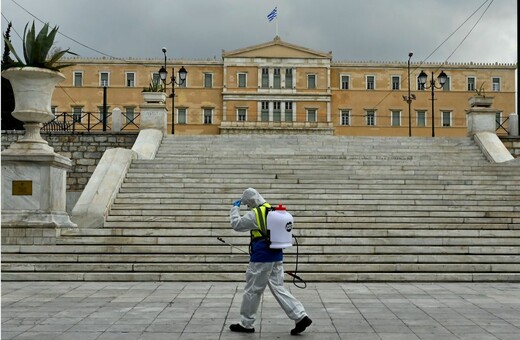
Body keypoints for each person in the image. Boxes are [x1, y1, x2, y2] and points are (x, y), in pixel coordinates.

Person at [228, 187, 312, 335]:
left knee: (253, 290)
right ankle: (300, 316)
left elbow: (237, 225)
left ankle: (246, 324)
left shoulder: (255, 214)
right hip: (276, 256)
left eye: (248, 204)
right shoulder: (272, 210)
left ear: (251, 201)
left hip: (261, 257)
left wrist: (235, 209)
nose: (248, 206)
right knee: (279, 288)